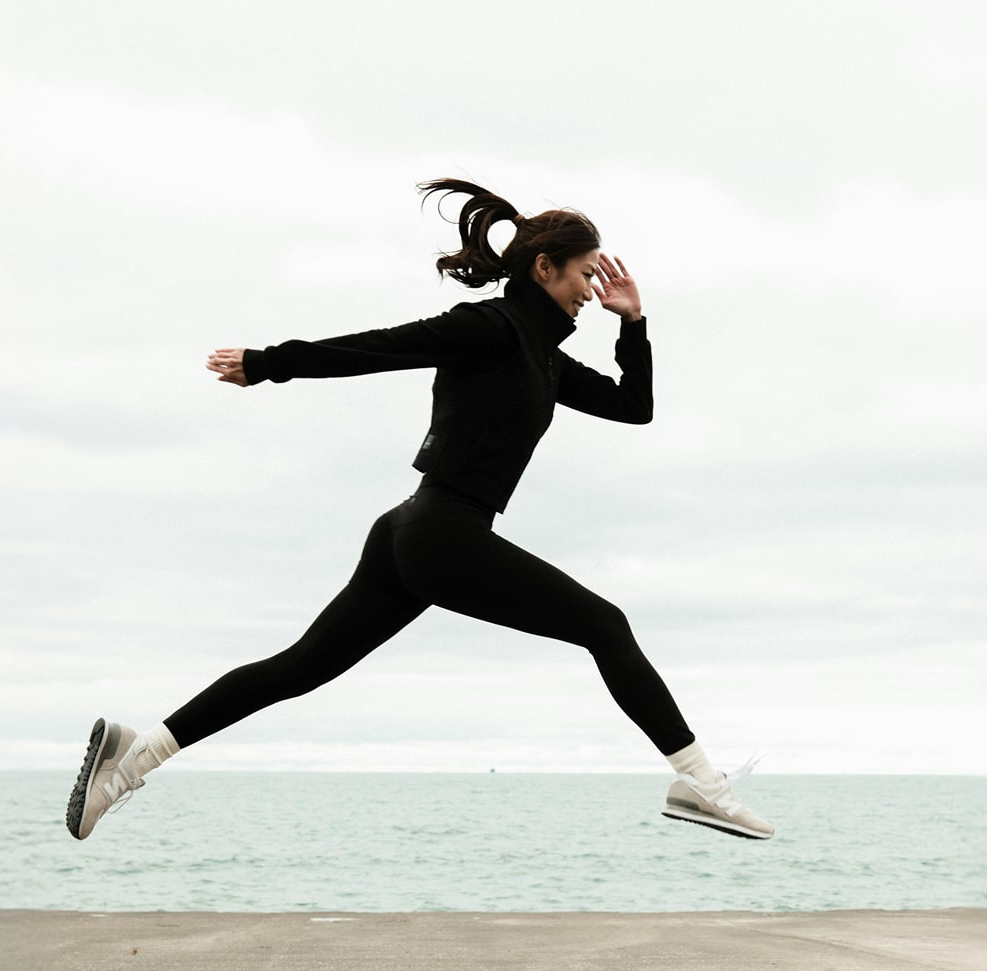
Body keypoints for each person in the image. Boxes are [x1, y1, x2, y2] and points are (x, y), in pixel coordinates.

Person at [66, 179, 773, 841]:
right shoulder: (492, 327)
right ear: (545, 269)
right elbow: (382, 347)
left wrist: (635, 323)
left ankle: (131, 760)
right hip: (442, 532)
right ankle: (701, 784)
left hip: (416, 532)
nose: (594, 288)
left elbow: (635, 408)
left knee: (299, 668)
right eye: (587, 274)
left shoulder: (545, 359)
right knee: (605, 625)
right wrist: (268, 361)